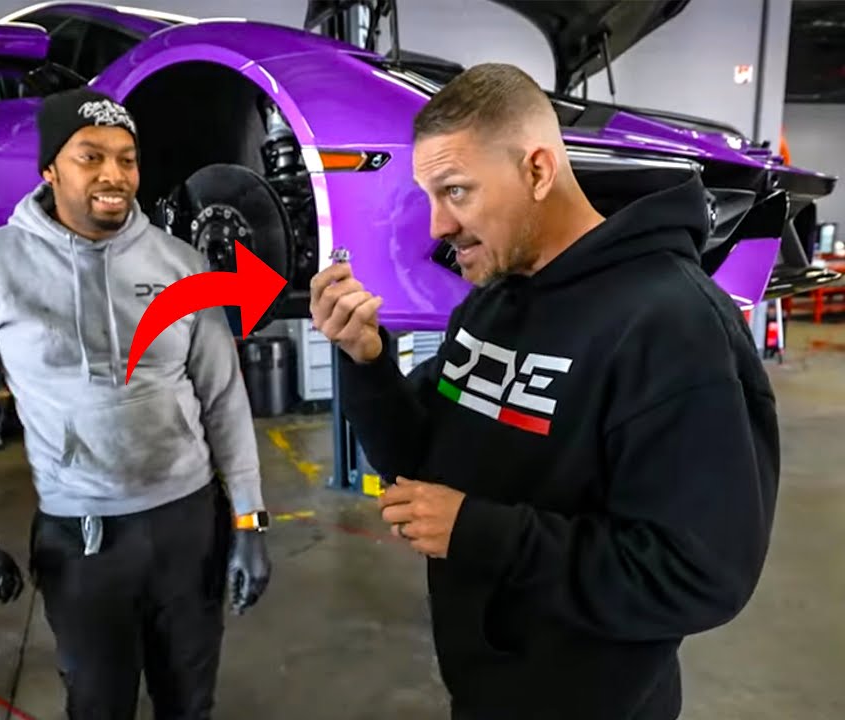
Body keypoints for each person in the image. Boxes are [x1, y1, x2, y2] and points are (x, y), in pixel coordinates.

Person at [310, 63, 779, 719]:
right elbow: (417, 464)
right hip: (485, 690)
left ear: (536, 170)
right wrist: (367, 363)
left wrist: (480, 534)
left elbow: (700, 575)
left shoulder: (674, 325)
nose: (437, 225)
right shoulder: (495, 300)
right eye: (430, 195)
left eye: (456, 191)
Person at [0, 87, 272, 718]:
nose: (114, 174)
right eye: (91, 156)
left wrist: (249, 519)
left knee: (190, 703)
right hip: (82, 540)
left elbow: (224, 397)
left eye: (127, 158)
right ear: (50, 169)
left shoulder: (182, 265)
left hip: (189, 526)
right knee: (97, 705)